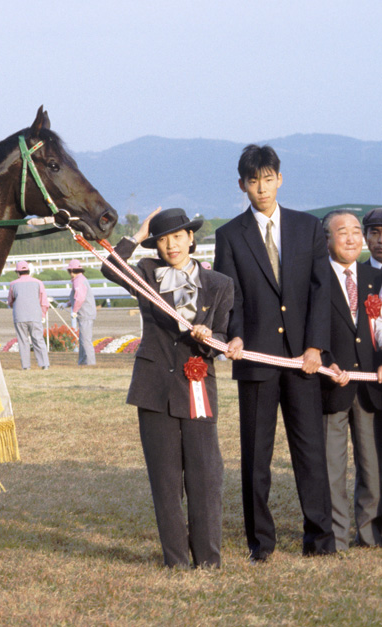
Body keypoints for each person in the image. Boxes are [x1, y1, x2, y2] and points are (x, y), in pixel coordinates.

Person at [213, 144, 336, 561]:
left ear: (280, 179)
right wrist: (234, 337)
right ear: (242, 186)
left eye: (268, 179)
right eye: (253, 182)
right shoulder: (230, 235)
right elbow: (230, 296)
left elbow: (321, 291)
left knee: (311, 453)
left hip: (304, 362)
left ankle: (320, 540)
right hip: (255, 361)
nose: (262, 188)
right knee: (255, 458)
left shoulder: (308, 227)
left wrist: (316, 346)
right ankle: (261, 544)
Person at [102, 207, 233, 568]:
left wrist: (211, 339)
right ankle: (176, 560)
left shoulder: (219, 283)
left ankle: (208, 559)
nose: (171, 245)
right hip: (153, 386)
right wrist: (137, 235)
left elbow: (223, 334)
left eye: (177, 236)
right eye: (162, 240)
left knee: (205, 475)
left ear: (191, 238)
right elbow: (109, 268)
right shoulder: (146, 273)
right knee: (165, 479)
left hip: (197, 386)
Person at [320, 210, 382, 550]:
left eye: (357, 231)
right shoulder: (315, 278)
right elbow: (308, 328)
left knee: (373, 466)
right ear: (327, 239)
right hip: (331, 384)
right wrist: (325, 362)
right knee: (332, 467)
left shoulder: (376, 279)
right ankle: (336, 537)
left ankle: (371, 534)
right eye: (342, 231)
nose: (351, 238)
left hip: (371, 386)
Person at [7, 260, 50, 370]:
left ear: (18, 272)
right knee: (38, 339)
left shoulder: (13, 284)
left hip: (19, 316)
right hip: (35, 316)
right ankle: (44, 364)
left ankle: (26, 366)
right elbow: (44, 302)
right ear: (28, 271)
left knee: (23, 341)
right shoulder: (38, 283)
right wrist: (43, 315)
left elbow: (10, 301)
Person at [66, 260, 96, 365]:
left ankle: (90, 363)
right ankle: (83, 362)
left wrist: (74, 311)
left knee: (85, 340)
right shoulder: (80, 279)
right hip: (85, 313)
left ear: (71, 271)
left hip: (85, 314)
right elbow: (76, 298)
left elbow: (79, 298)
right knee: (83, 340)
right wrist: (67, 304)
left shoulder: (78, 281)